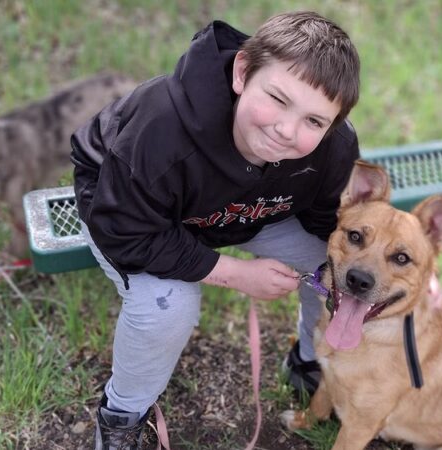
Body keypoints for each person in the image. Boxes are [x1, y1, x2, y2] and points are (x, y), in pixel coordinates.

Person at [70, 11, 360, 449]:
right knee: (169, 306)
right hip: (132, 210)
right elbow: (128, 233)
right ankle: (122, 415)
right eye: (278, 99)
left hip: (243, 211)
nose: (286, 130)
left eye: (314, 121)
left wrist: (391, 267)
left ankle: (309, 363)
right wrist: (235, 273)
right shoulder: (161, 126)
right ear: (242, 72)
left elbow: (329, 221)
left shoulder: (333, 148)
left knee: (336, 267)